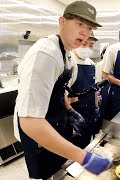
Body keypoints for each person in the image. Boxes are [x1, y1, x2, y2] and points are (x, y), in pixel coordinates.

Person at [13, 1, 112, 179]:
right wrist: (84, 157)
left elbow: (60, 93)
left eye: (89, 28)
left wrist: (70, 111)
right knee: (42, 175)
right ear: (62, 22)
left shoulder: (66, 54)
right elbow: (30, 122)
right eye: (79, 23)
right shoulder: (45, 54)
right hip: (38, 134)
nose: (84, 32)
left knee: (56, 171)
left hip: (55, 123)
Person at [65, 32, 100, 149]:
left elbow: (95, 89)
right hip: (74, 113)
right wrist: (73, 115)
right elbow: (62, 95)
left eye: (91, 45)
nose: (87, 48)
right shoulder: (69, 62)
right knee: (74, 147)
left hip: (89, 112)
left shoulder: (91, 63)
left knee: (88, 144)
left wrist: (96, 107)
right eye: (84, 44)